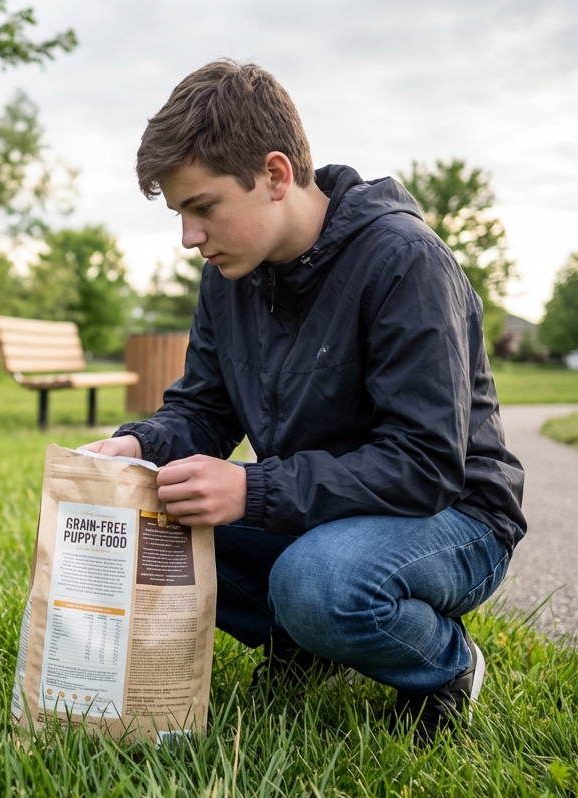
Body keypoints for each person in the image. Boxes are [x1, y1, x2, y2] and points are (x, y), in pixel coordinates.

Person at [82, 60, 526, 745]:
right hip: (321, 513)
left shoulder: (405, 261)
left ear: (277, 175)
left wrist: (250, 490)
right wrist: (138, 447)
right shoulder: (229, 276)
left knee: (318, 585)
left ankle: (445, 664)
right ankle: (306, 645)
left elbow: (426, 465)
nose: (189, 238)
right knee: (143, 521)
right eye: (179, 215)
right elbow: (203, 411)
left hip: (454, 517)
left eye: (202, 208)